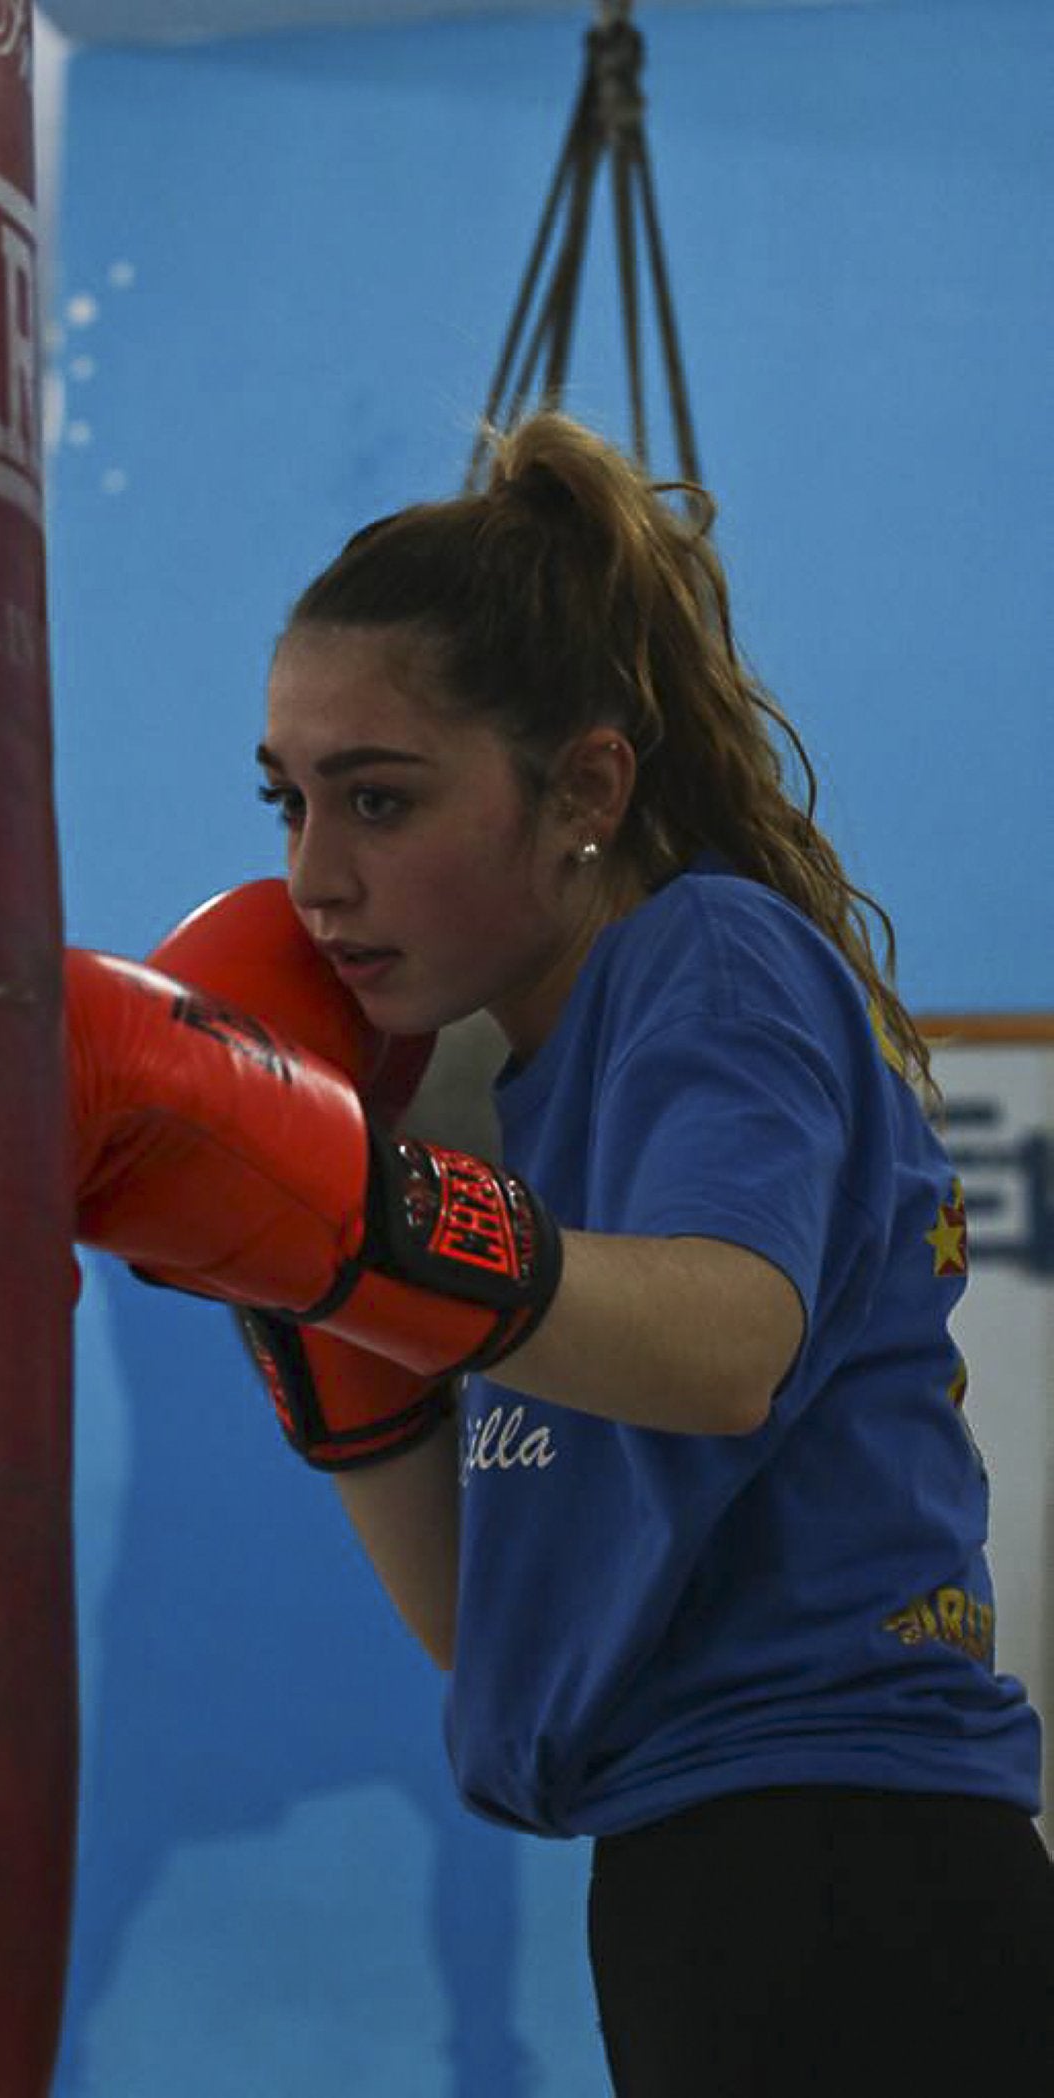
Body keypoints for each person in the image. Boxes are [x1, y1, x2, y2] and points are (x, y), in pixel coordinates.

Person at [70, 411, 1054, 2095]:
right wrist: (306, 1297)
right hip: (691, 1853)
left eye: (378, 798)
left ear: (587, 785)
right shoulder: (497, 1088)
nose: (312, 875)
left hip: (850, 1853)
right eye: (288, 800)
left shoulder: (713, 961)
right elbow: (482, 1618)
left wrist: (351, 1217)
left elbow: (726, 1347)